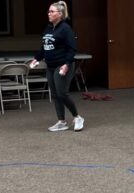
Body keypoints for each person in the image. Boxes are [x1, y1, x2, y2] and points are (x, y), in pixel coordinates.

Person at [32, 1, 84, 132]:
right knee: (55, 94)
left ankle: (77, 117)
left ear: (60, 14)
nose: (49, 13)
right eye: (48, 11)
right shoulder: (48, 28)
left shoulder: (65, 28)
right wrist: (36, 58)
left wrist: (67, 64)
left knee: (62, 93)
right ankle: (62, 121)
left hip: (63, 65)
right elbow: (44, 46)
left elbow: (72, 49)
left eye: (52, 11)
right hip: (50, 66)